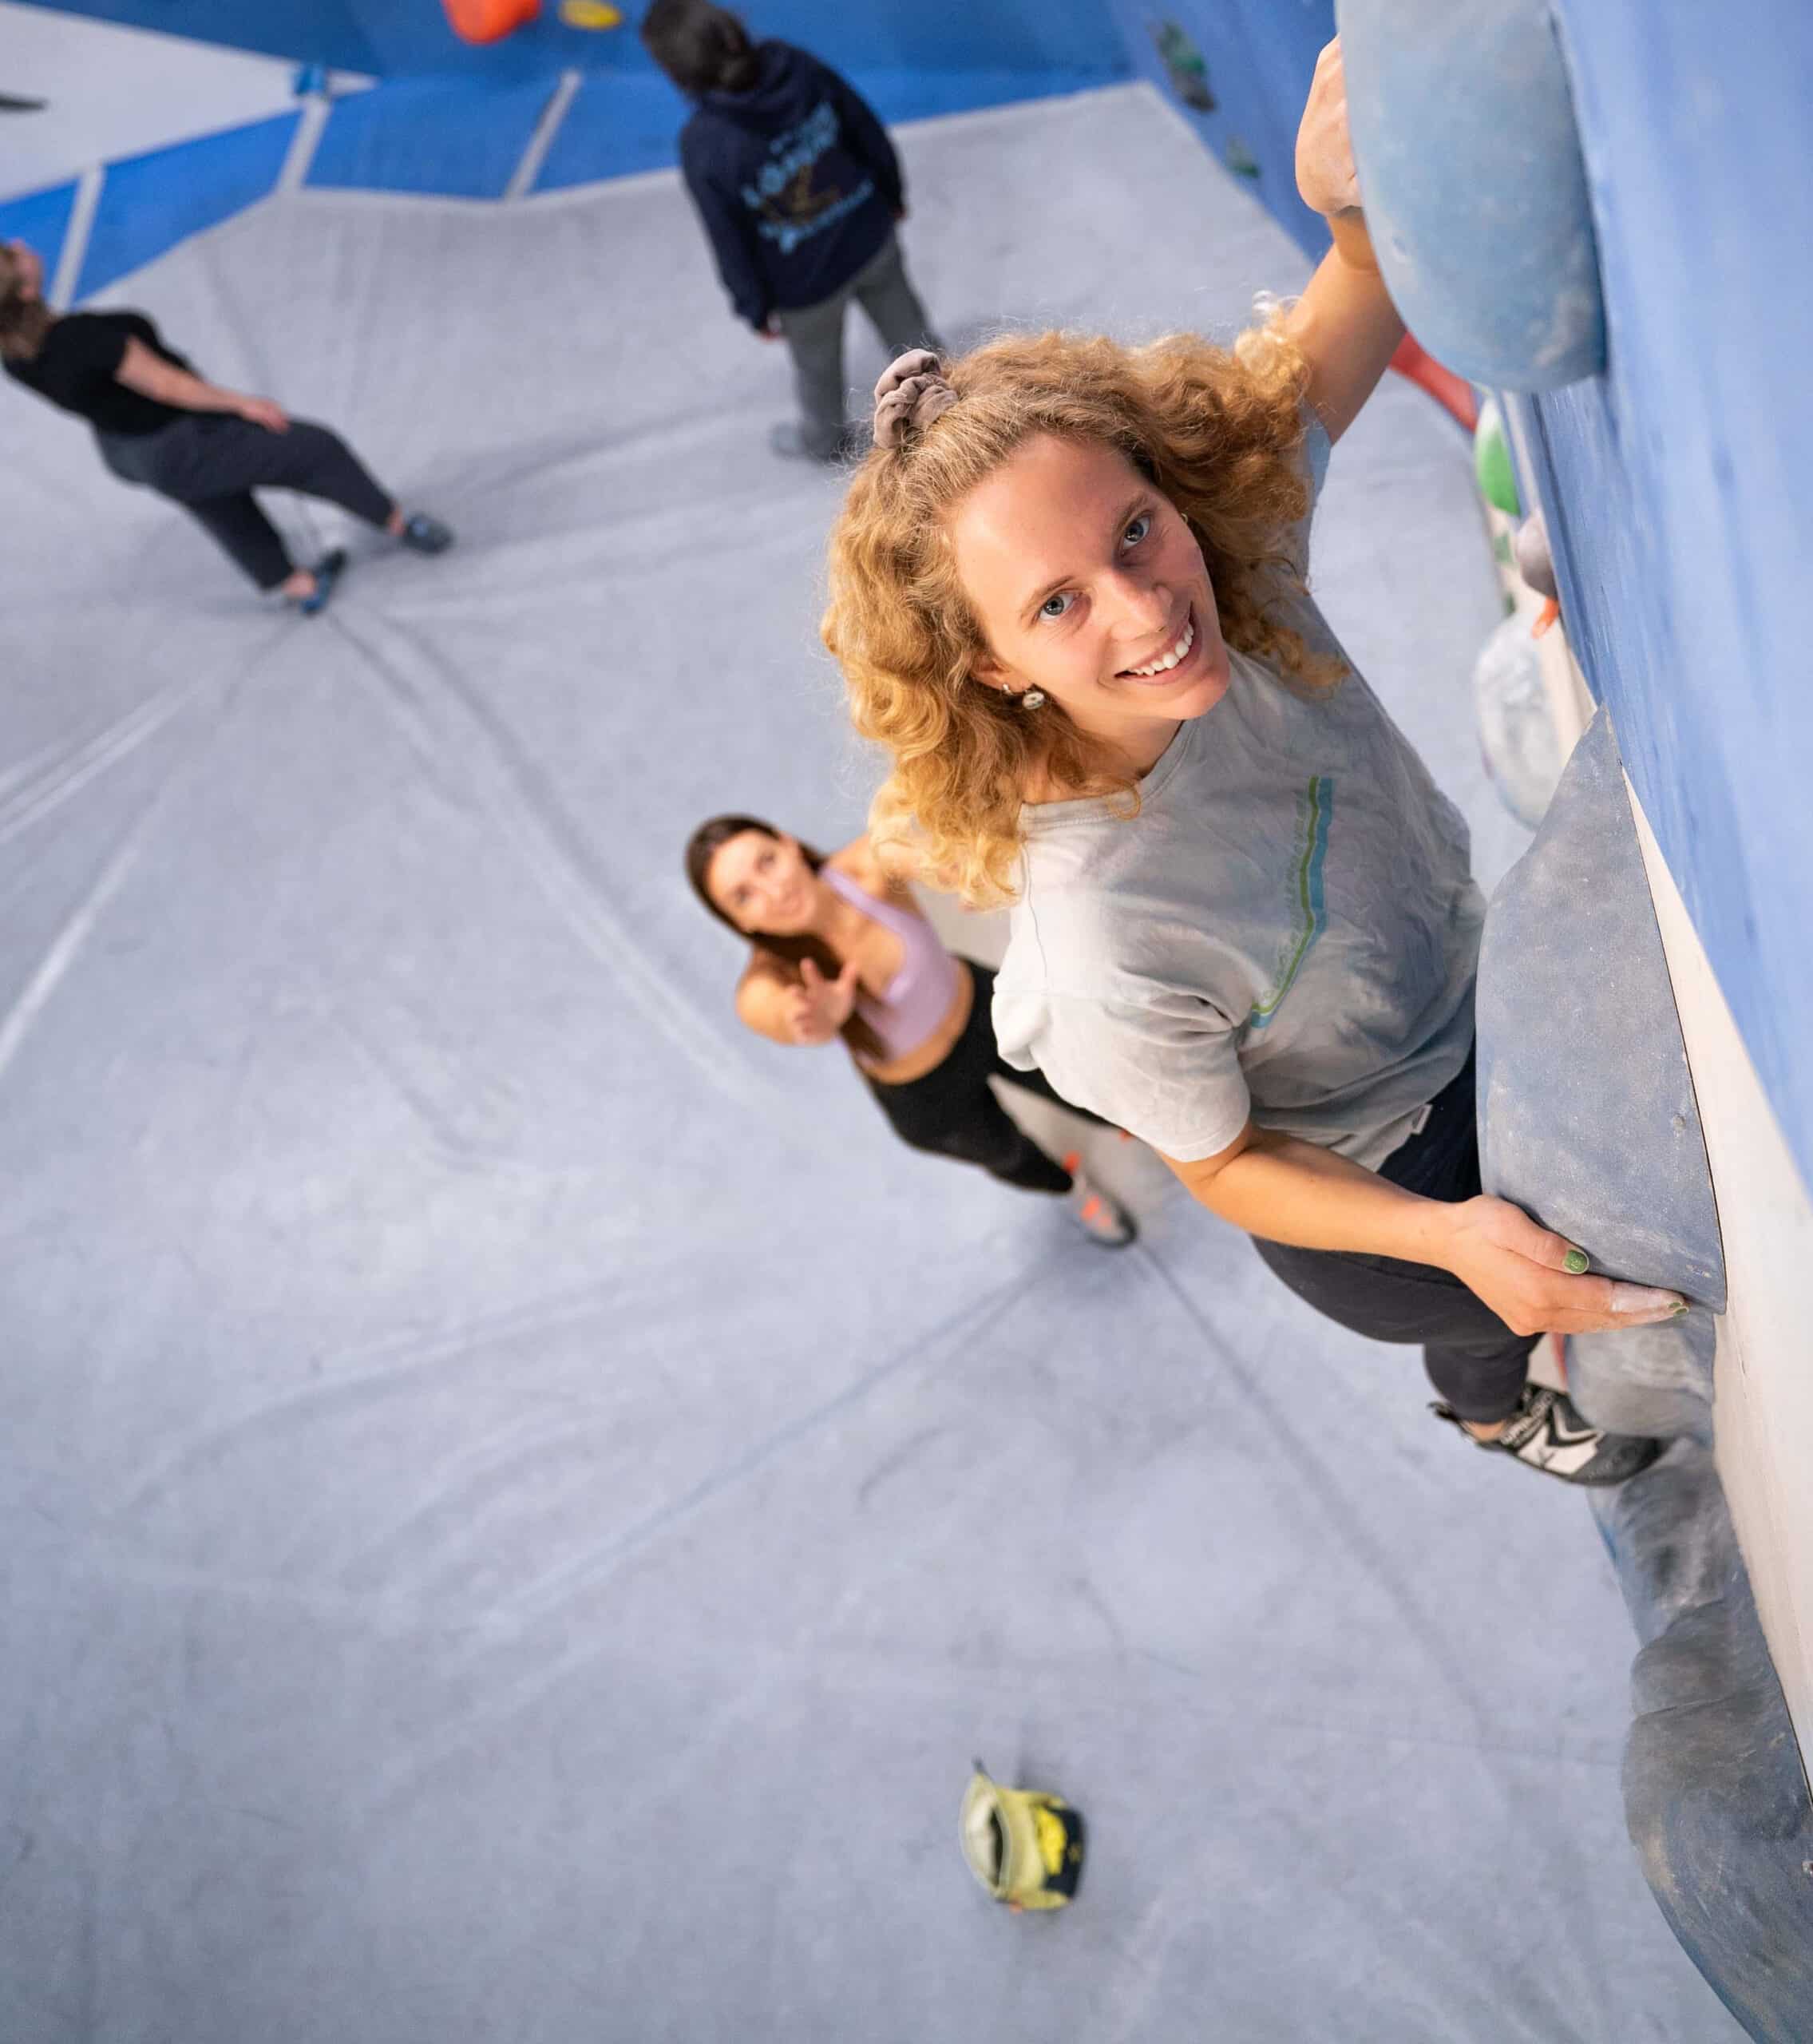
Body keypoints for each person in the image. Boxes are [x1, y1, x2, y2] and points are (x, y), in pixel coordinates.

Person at [820, 41, 1685, 1484]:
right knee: (1484, 1317)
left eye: (1133, 532)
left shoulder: (1234, 558)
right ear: (990, 667)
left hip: (1470, 991)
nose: (1147, 605)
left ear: (1168, 494)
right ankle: (1490, 1410)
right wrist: (1449, 1239)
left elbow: (1359, 294)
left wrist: (1349, 207)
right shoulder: (1100, 939)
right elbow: (1220, 1167)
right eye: (1056, 606)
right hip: (1384, 1180)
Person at [686, 814, 1135, 1245]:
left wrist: (961, 867)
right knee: (1009, 1155)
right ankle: (1071, 1189)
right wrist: (812, 1020)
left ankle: (1140, 1120)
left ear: (788, 843)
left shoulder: (865, 868)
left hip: (985, 1012)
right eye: (744, 896)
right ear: (739, 923)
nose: (774, 888)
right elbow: (772, 1012)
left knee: (1090, 1083)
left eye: (767, 861)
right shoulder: (765, 984)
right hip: (928, 1099)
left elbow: (915, 850)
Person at [0, 238, 451, 612]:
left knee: (216, 499)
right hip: (174, 440)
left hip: (126, 450)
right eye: (13, 254)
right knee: (314, 449)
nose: (20, 245)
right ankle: (398, 525)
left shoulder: (13, 352)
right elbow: (165, 385)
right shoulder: (81, 339)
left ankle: (297, 586)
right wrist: (243, 405)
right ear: (23, 290)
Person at [641, 0, 941, 462]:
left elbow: (728, 237)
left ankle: (824, 442)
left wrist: (753, 305)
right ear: (732, 27)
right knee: (909, 326)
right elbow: (861, 123)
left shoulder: (704, 143)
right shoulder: (792, 64)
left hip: (805, 287)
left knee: (818, 370)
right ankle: (946, 399)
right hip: (868, 233)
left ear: (679, 73)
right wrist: (891, 191)